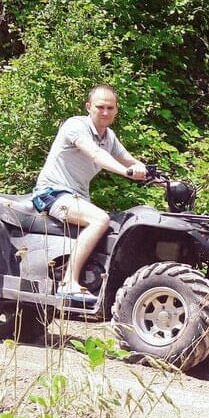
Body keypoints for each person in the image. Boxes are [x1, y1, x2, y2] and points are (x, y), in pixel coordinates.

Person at [33, 84, 147, 303]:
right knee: (100, 219)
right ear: (88, 107)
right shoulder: (75, 125)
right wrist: (125, 172)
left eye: (110, 108)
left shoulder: (109, 136)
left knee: (117, 224)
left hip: (77, 197)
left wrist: (158, 177)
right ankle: (68, 283)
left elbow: (131, 160)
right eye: (100, 107)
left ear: (116, 110)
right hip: (51, 192)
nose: (105, 112)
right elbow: (96, 155)